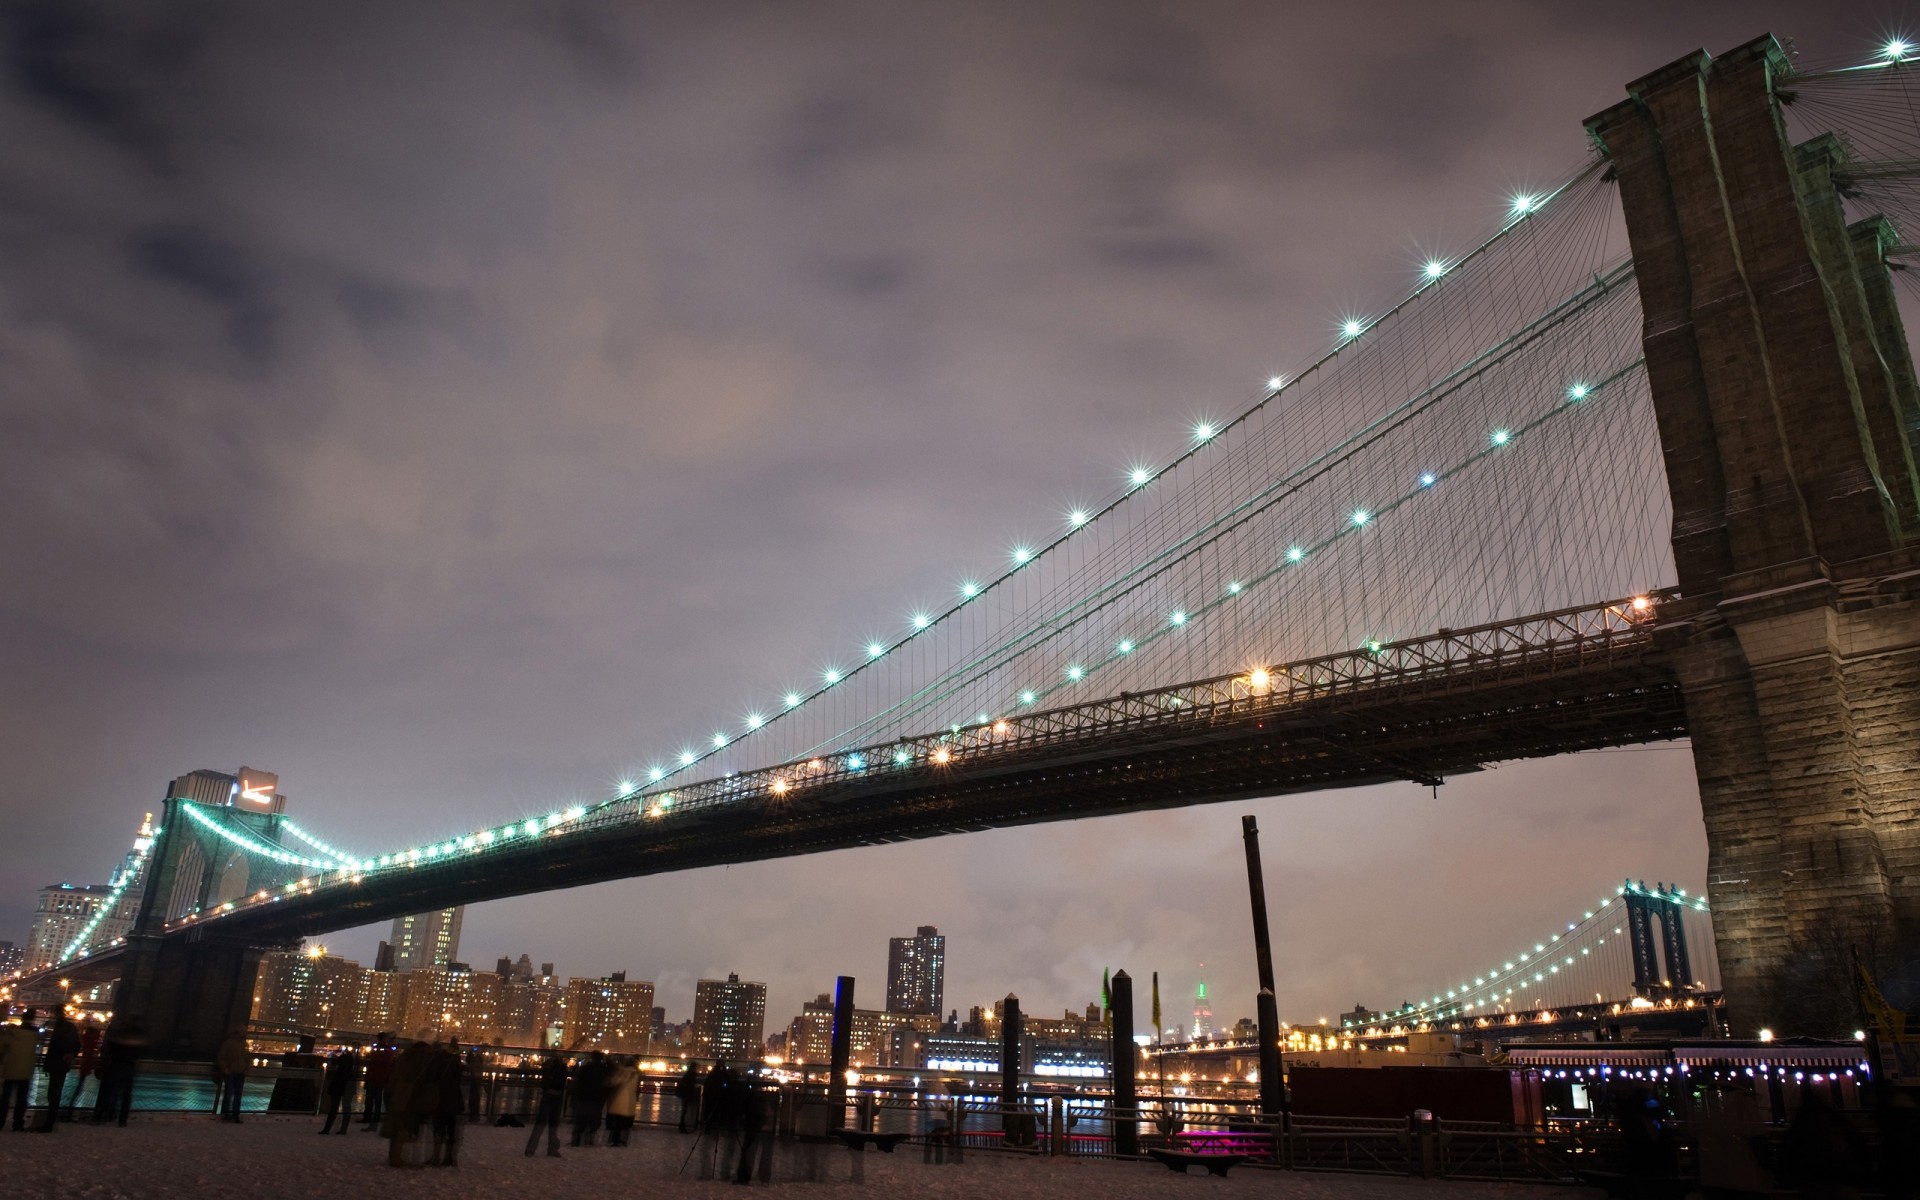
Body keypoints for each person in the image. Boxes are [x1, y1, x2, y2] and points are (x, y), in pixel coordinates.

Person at [381, 1039, 434, 1169]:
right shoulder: (423, 1060)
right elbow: (427, 1078)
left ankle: (395, 1156)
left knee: (398, 1125)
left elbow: (393, 1076)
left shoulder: (404, 1057)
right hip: (412, 1095)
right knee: (405, 1125)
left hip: (398, 1094)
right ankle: (399, 1158)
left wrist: (390, 1090)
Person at [94, 1015, 146, 1126]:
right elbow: (140, 1050)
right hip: (129, 1065)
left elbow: (112, 1048)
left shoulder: (120, 1033)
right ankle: (121, 1119)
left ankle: (103, 1115)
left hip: (117, 1064)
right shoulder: (138, 1034)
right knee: (125, 1095)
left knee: (111, 1091)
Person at [37, 1012, 81, 1132]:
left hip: (56, 1063)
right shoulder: (69, 1029)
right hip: (62, 1064)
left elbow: (55, 1047)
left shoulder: (59, 1029)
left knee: (53, 1093)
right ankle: (50, 1121)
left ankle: (49, 1122)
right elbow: (77, 1045)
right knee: (56, 1092)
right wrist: (71, 1054)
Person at [426, 1040, 464, 1168]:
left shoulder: (435, 1061)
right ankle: (449, 1157)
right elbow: (459, 1078)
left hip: (438, 1098)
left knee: (438, 1127)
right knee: (451, 1129)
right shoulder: (454, 1061)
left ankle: (436, 1157)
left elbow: (430, 1077)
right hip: (453, 1098)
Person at [0, 1008, 39, 1131]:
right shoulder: (35, 1035)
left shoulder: (12, 1033)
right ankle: (18, 1123)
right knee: (22, 1098)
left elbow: (2, 1047)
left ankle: (1, 1121)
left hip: (11, 1068)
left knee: (5, 1098)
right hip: (26, 1069)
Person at [524, 1050, 568, 1158]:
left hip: (548, 1096)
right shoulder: (561, 1067)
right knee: (553, 1125)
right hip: (556, 1096)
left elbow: (546, 1081)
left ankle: (531, 1149)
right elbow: (561, 1083)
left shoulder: (548, 1066)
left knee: (541, 1124)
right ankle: (551, 1150)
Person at [569, 1049, 612, 1146]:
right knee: (594, 1120)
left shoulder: (585, 1069)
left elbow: (578, 1083)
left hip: (584, 1097)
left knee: (581, 1119)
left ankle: (576, 1140)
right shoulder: (603, 1070)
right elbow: (608, 1080)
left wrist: (576, 1096)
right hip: (597, 1098)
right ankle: (589, 1139)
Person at [318, 1047, 359, 1134]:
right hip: (348, 1084)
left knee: (333, 1108)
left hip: (338, 1085)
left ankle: (327, 1128)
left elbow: (334, 1062)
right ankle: (343, 1129)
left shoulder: (340, 1070)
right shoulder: (351, 1068)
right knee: (346, 1107)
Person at [68, 1023, 102, 1120]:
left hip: (85, 1065)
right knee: (80, 1088)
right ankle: (71, 1110)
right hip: (87, 1065)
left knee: (79, 1087)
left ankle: (70, 1109)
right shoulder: (91, 1041)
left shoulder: (86, 1039)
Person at [214, 1030, 249, 1123]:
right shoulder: (233, 1044)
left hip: (237, 1073)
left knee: (232, 1094)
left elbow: (247, 1058)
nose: (243, 1034)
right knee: (232, 1095)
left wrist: (245, 1069)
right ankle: (230, 1115)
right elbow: (221, 1057)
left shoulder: (238, 1044)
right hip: (233, 1072)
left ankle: (231, 1115)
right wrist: (226, 1069)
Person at [360, 1034, 394, 1130]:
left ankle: (368, 1117)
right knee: (377, 1100)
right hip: (381, 1079)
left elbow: (372, 1059)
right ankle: (375, 1118)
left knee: (370, 1099)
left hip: (373, 1078)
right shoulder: (388, 1050)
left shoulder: (377, 1049)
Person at [603, 1056, 639, 1146]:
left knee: (617, 1122)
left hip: (620, 1098)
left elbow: (615, 1081)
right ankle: (623, 1140)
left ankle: (615, 1140)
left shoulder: (624, 1072)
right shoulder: (636, 1073)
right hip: (631, 1099)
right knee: (626, 1122)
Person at [675, 1061, 700, 1132]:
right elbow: (691, 1085)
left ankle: (683, 1125)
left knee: (684, 1110)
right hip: (687, 1094)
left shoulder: (687, 1073)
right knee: (686, 1110)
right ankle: (685, 1125)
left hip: (684, 1094)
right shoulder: (692, 1074)